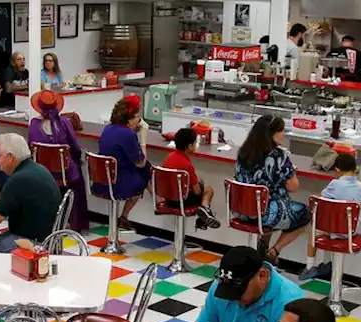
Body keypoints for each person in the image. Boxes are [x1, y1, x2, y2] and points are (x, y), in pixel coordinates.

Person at [233, 115, 307, 261]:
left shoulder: (243, 152)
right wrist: (290, 170)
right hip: (264, 213)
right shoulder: (278, 156)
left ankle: (262, 249)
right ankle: (273, 252)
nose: (283, 134)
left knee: (272, 204)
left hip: (241, 210)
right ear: (271, 133)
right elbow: (293, 186)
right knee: (304, 213)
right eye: (281, 131)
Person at [0, 134, 62, 251]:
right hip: (48, 238)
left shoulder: (18, 179)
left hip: (31, 243)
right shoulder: (38, 168)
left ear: (10, 157)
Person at [298, 153, 361, 282]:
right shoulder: (360, 186)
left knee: (314, 229)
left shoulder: (334, 184)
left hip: (333, 229)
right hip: (350, 231)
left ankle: (310, 266)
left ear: (337, 170)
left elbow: (323, 200)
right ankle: (331, 268)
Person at [29, 89, 88, 231]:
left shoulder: (34, 124)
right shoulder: (64, 123)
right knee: (78, 178)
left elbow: (31, 146)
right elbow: (75, 147)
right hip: (64, 172)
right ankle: (76, 223)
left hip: (42, 173)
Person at [95, 97, 152, 229]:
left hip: (101, 181)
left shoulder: (108, 129)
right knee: (145, 170)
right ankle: (158, 202)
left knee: (144, 170)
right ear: (129, 118)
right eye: (137, 116)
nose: (139, 119)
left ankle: (125, 217)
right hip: (119, 184)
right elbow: (141, 162)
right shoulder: (128, 135)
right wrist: (143, 137)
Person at [161, 127, 220, 230]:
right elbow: (197, 191)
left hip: (168, 199)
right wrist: (199, 185)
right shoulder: (186, 164)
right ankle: (205, 211)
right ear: (189, 146)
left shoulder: (169, 157)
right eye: (195, 143)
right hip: (182, 202)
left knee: (200, 183)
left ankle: (204, 215)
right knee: (208, 189)